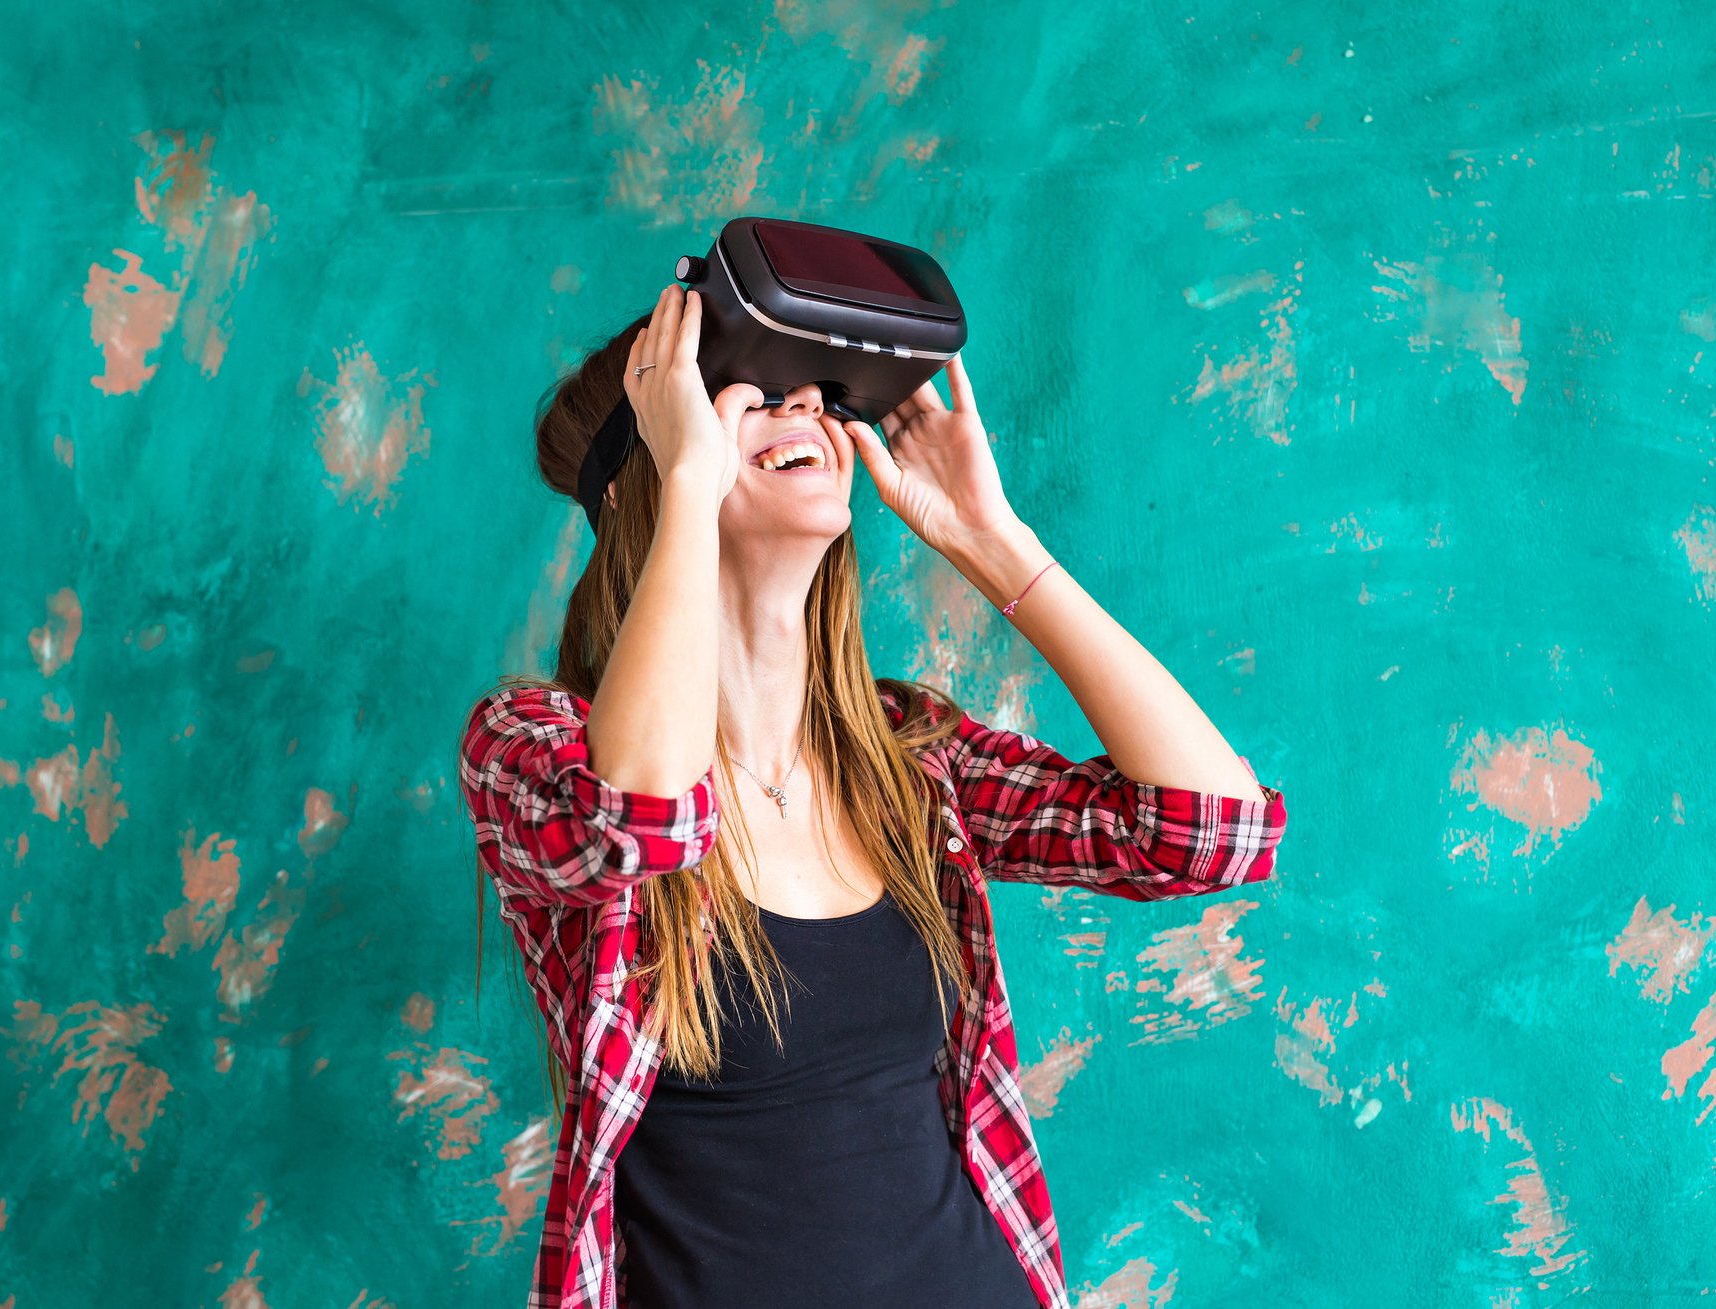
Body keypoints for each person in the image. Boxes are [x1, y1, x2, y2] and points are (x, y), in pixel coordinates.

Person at [458, 283, 1288, 1309]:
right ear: (648, 470)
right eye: (742, 396)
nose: (803, 405)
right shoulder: (533, 747)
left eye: (811, 392)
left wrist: (994, 540)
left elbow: (1213, 834)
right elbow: (643, 818)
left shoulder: (904, 755)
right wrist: (681, 488)